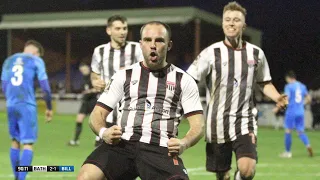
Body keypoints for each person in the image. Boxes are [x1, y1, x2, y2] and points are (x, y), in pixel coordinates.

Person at [77, 21, 204, 180]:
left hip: (160, 148)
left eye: (159, 40)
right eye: (148, 40)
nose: (153, 45)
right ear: (140, 44)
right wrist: (104, 132)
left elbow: (198, 125)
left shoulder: (183, 80)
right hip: (123, 144)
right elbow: (97, 115)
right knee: (86, 177)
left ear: (169, 45)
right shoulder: (124, 76)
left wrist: (184, 143)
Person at [186, 2, 288, 180]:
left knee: (247, 169)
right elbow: (189, 80)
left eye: (236, 20)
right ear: (222, 24)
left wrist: (277, 97)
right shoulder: (211, 53)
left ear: (244, 26)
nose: (231, 23)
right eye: (227, 20)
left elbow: (264, 83)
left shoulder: (256, 54)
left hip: (245, 120)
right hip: (216, 123)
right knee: (222, 174)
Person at [1, 40, 53, 180]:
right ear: (36, 53)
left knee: (15, 141)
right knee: (28, 143)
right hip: (27, 105)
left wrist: (12, 99)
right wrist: (49, 107)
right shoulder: (35, 60)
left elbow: (4, 85)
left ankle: (17, 177)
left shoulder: (9, 60)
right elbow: (45, 87)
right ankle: (21, 178)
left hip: (11, 105)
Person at [90, 15, 143, 146]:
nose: (122, 32)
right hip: (107, 113)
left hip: (131, 114)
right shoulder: (100, 51)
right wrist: (95, 81)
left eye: (124, 28)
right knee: (102, 157)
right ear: (109, 31)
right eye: (118, 28)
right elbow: (94, 73)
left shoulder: (137, 49)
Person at [278, 71, 313, 158]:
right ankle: (308, 145)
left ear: (288, 78)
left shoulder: (289, 86)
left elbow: (287, 98)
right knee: (300, 131)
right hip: (300, 111)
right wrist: (302, 104)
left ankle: (288, 152)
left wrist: (278, 106)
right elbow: (309, 98)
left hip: (291, 111)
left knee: (288, 131)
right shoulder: (302, 86)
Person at [68, 63, 99, 146]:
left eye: (84, 69)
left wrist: (90, 91)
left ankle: (99, 140)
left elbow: (99, 88)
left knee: (96, 122)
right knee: (79, 120)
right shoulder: (83, 78)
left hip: (93, 101)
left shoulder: (93, 76)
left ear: (88, 68)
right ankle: (75, 140)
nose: (83, 71)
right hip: (85, 102)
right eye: (81, 70)